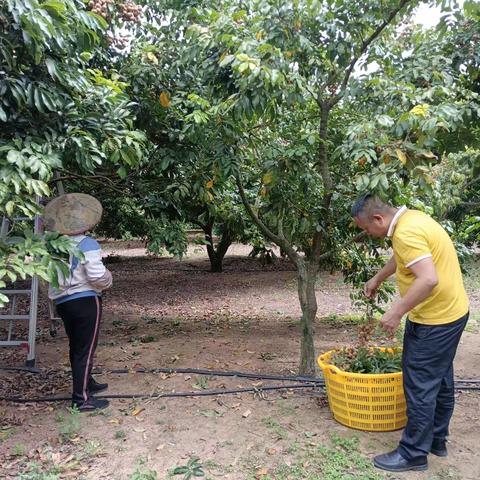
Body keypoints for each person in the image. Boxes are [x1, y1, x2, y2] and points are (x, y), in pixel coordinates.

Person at [351, 193, 469, 473]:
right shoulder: (411, 220)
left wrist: (396, 311)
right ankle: (436, 439)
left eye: (366, 228)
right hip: (452, 313)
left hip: (435, 320)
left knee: (419, 385)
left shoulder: (406, 232)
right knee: (439, 378)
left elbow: (428, 278)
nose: (367, 234)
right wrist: (378, 277)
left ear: (378, 219)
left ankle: (414, 453)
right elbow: (403, 258)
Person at [44, 193, 113, 412]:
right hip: (85, 300)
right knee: (86, 348)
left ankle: (87, 383)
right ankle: (81, 398)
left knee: (77, 345)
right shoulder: (86, 243)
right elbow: (96, 275)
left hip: (63, 303)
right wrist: (109, 279)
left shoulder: (52, 245)